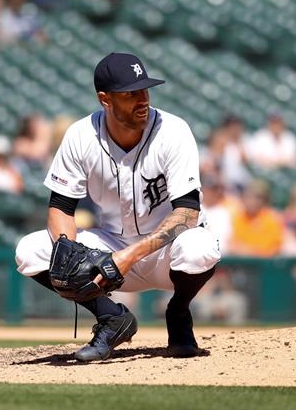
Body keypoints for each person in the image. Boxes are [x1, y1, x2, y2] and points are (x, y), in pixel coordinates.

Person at [14, 53, 221, 361]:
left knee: (200, 246)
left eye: (145, 90)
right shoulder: (80, 136)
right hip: (110, 247)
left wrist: (129, 256)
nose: (143, 100)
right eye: (130, 94)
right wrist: (67, 253)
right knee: (30, 251)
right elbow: (60, 207)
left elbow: (188, 212)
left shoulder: (173, 131)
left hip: (167, 252)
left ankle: (178, 313)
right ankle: (112, 318)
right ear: (105, 99)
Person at [228, 180, 284, 256]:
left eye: (257, 198)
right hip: (241, 263)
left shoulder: (272, 218)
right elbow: (232, 245)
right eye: (248, 197)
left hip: (264, 265)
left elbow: (272, 248)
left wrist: (250, 250)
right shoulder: (238, 217)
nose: (252, 201)